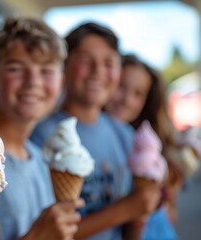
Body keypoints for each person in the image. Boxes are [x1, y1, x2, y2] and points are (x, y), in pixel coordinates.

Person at [30, 22, 161, 240]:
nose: (98, 72)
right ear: (64, 66)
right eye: (85, 60)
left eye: (109, 62)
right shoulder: (42, 137)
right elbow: (42, 233)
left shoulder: (125, 135)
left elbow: (133, 221)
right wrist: (125, 210)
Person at [0, 17, 85, 240]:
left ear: (61, 82)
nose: (33, 82)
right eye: (16, 69)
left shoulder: (40, 158)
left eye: (47, 71)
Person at [105, 54, 184, 239]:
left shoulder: (146, 143)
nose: (126, 99)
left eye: (138, 94)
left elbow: (171, 215)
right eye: (121, 87)